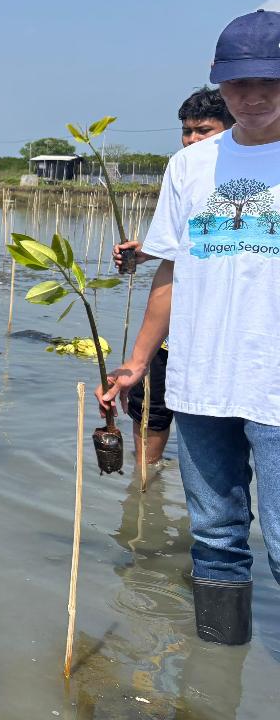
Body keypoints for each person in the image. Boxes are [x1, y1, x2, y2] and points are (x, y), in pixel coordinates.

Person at [98, 9, 280, 648]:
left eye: (269, 82)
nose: (252, 97)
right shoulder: (190, 167)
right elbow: (169, 272)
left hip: (276, 390)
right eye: (238, 84)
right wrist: (138, 360)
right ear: (219, 83)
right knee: (217, 540)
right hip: (202, 384)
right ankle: (214, 694)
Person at [110, 87, 233, 466]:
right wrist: (145, 251)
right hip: (172, 334)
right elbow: (184, 249)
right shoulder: (183, 170)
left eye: (203, 130)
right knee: (150, 410)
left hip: (223, 338)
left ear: (232, 128)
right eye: (187, 130)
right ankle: (144, 486)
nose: (192, 140)